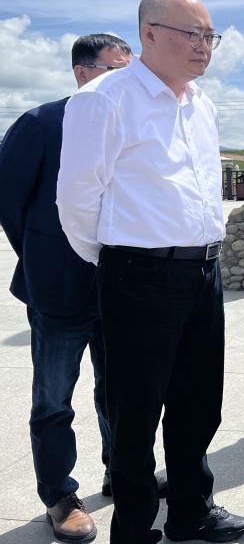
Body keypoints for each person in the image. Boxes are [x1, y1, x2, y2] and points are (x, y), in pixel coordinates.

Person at [57, 0, 244, 544]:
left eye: (209, 36)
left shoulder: (202, 104)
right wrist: (118, 260)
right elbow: (77, 199)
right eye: (192, 34)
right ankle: (136, 527)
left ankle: (191, 510)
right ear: (149, 33)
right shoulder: (105, 99)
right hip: (138, 276)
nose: (204, 46)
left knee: (199, 403)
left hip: (203, 272)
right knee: (135, 414)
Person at [0, 34, 131, 544]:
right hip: (57, 290)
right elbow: (9, 200)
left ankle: (120, 469)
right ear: (82, 72)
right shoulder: (41, 122)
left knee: (119, 390)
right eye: (114, 70)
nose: (126, 81)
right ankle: (59, 494)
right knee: (54, 400)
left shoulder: (128, 124)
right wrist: (41, 253)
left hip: (120, 286)